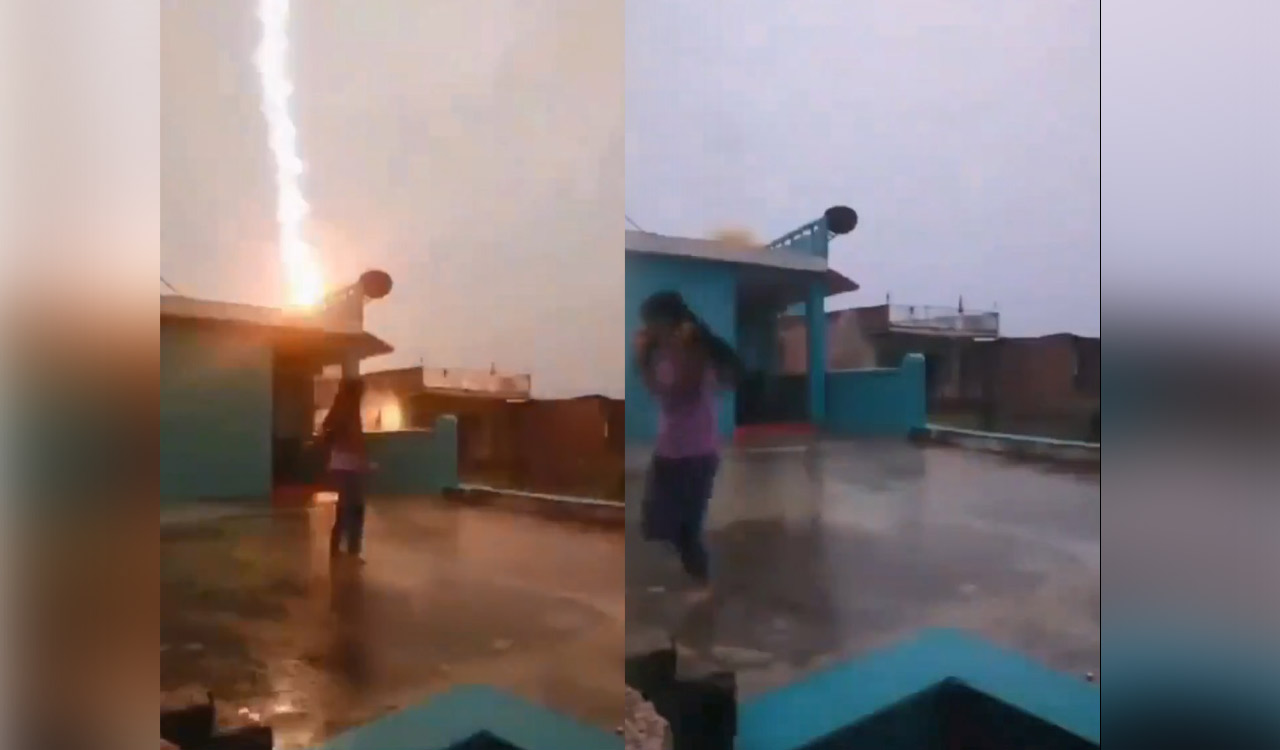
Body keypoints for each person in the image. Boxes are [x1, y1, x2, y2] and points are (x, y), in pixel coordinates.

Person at [634, 291, 743, 602]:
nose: (648, 329)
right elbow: (659, 392)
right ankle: (693, 572)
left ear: (669, 322)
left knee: (686, 529)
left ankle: (703, 585)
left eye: (652, 322)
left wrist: (647, 359)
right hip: (669, 448)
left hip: (697, 453)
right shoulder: (663, 352)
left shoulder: (694, 350)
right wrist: (645, 358)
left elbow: (680, 392)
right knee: (654, 523)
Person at [321, 376, 370, 560]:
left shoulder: (339, 405)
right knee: (356, 506)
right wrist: (363, 460)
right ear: (356, 390)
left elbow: (327, 425)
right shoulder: (350, 408)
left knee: (346, 505)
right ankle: (352, 549)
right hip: (349, 463)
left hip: (340, 462)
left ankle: (337, 547)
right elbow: (355, 437)